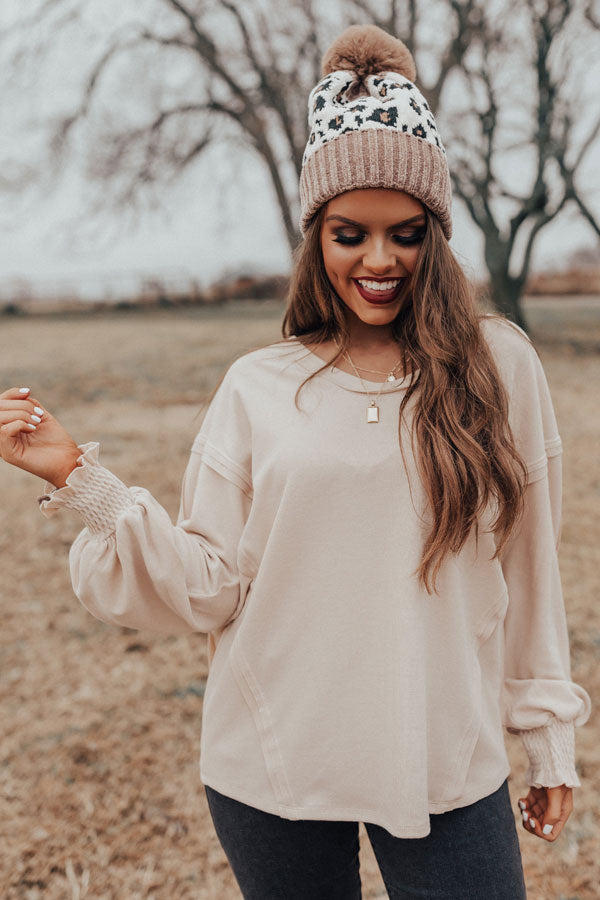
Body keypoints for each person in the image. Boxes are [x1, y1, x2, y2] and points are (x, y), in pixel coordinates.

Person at [0, 23, 591, 900]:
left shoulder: (499, 367)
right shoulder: (259, 386)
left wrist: (547, 737)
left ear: (438, 236)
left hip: (445, 756)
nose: (379, 260)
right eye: (350, 233)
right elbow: (210, 584)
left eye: (407, 233)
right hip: (272, 764)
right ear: (316, 237)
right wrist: (78, 479)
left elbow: (530, 566)